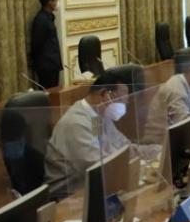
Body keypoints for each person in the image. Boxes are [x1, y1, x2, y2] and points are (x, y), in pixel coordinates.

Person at [44, 70, 131, 198]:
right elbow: (96, 166)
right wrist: (133, 167)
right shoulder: (75, 123)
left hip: (94, 187)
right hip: (69, 196)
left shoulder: (96, 116)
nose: (124, 106)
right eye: (121, 101)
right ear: (104, 94)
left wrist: (153, 152)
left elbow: (119, 146)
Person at [27, 0, 62, 90]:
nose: (57, 3)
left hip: (52, 63)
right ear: (49, 2)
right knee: (48, 93)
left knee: (54, 92)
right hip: (46, 65)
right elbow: (37, 43)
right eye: (56, 0)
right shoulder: (41, 19)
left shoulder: (49, 17)